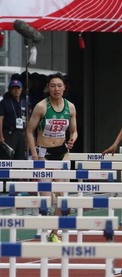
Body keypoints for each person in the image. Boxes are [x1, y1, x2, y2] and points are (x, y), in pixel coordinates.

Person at [26, 73, 78, 243]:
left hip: (62, 153)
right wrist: (34, 154)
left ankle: (54, 233)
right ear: (48, 88)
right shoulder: (41, 107)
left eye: (59, 86)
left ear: (64, 88)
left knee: (64, 200)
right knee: (47, 199)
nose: (56, 89)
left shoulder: (70, 107)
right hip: (44, 155)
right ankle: (47, 199)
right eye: (53, 86)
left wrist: (73, 139)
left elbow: (74, 130)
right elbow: (29, 131)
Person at [0, 78, 27, 159]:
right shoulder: (4, 102)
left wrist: (28, 136)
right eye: (14, 88)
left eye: (18, 88)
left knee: (20, 158)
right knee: (7, 158)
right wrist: (1, 136)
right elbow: (0, 120)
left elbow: (27, 119)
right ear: (9, 89)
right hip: (9, 133)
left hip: (21, 134)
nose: (16, 90)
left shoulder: (24, 102)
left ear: (21, 89)